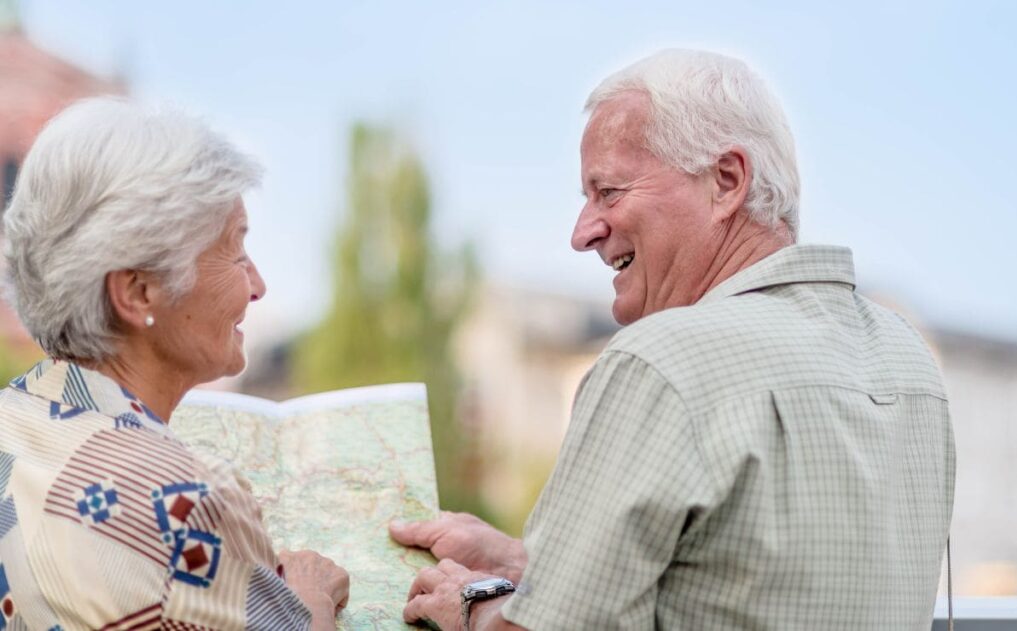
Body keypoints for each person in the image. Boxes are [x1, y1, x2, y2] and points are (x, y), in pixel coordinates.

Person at [391, 49, 955, 629]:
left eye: (607, 191)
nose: (582, 232)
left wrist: (472, 607)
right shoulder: (908, 361)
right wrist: (525, 562)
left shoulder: (660, 360)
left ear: (727, 181)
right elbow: (758, 583)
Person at [0, 98, 348, 630]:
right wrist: (308, 599)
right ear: (138, 292)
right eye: (235, 250)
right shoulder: (187, 502)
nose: (257, 286)